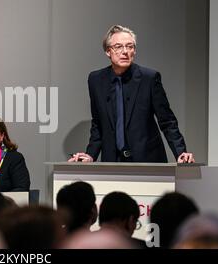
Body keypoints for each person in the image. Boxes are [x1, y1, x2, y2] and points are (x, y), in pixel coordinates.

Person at [69, 25, 194, 163]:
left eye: (130, 46)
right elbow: (98, 123)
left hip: (147, 160)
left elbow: (167, 121)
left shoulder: (149, 78)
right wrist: (90, 155)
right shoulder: (96, 80)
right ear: (108, 51)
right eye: (118, 47)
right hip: (112, 161)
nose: (125, 51)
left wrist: (181, 153)